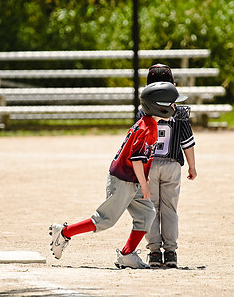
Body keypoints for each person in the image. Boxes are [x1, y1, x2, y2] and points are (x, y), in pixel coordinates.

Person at [49, 81, 188, 269]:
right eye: (172, 104)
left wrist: (143, 179)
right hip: (123, 180)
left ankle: (127, 254)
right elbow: (136, 159)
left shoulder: (148, 124)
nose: (175, 107)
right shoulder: (149, 129)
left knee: (147, 213)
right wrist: (145, 184)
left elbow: (140, 158)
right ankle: (64, 232)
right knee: (105, 220)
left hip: (132, 179)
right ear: (160, 107)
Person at [135, 64, 197, 268]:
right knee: (170, 208)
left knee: (150, 208)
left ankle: (154, 252)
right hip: (172, 165)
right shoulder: (178, 112)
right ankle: (170, 252)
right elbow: (187, 142)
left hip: (150, 165)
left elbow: (138, 141)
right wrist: (192, 166)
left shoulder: (143, 110)